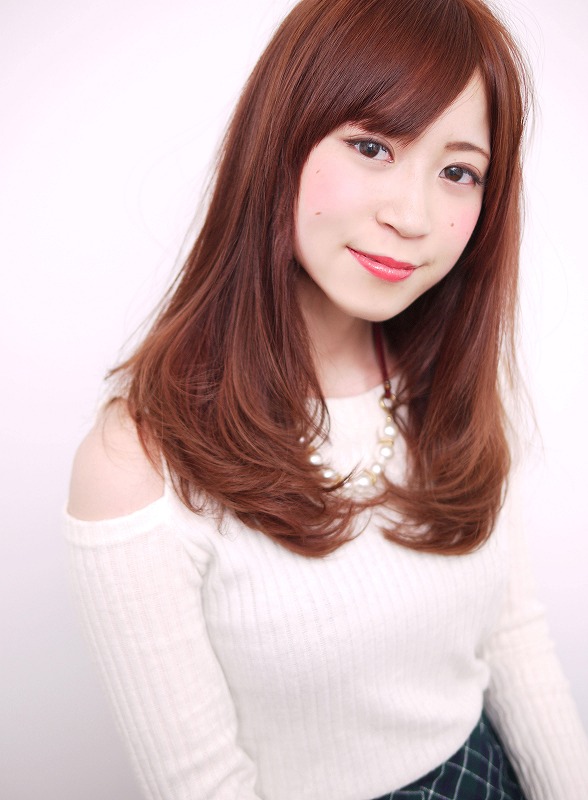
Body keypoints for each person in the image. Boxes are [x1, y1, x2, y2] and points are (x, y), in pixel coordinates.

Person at [64, 0, 588, 798]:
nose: (411, 216)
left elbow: (510, 638)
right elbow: (204, 786)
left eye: (458, 171)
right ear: (280, 140)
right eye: (373, 146)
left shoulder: (447, 385)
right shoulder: (136, 464)